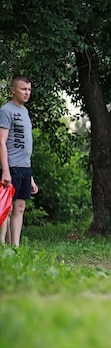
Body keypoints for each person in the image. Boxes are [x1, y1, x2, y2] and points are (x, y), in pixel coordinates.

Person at [0, 75, 39, 246]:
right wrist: (5, 171)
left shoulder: (25, 111)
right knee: (6, 209)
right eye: (24, 89)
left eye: (29, 89)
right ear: (13, 90)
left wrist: (30, 177)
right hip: (12, 167)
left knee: (20, 207)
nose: (27, 92)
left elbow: (25, 145)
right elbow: (1, 141)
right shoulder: (6, 110)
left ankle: (14, 247)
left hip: (25, 168)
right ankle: (2, 246)